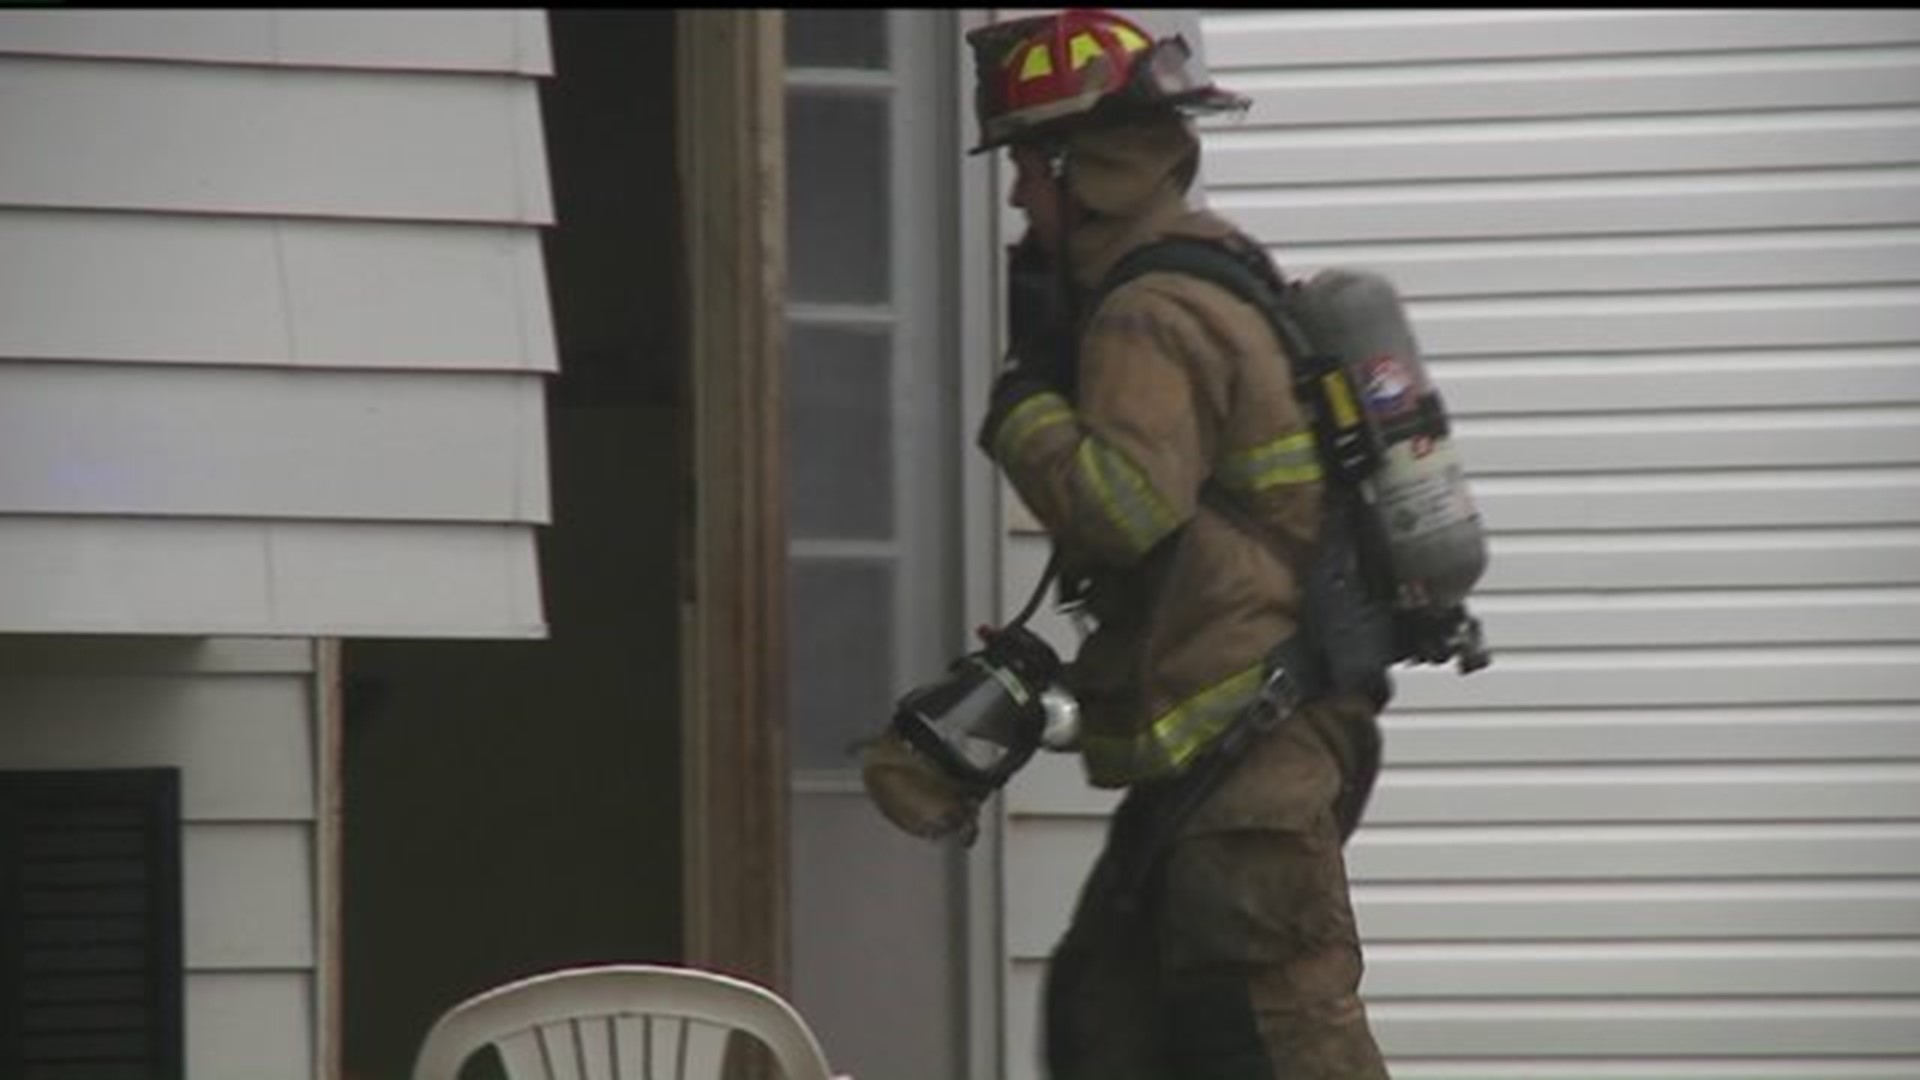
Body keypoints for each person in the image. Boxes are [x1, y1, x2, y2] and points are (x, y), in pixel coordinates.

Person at [861, 8, 1393, 1078]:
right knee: (1106, 1023)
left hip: (1254, 768)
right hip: (1221, 761)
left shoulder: (1148, 310)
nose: (1017, 198)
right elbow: (1195, 549)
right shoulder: (1209, 271)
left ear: (1080, 164)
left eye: (1026, 170)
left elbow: (1122, 506)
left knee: (1283, 1048)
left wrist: (1022, 408)